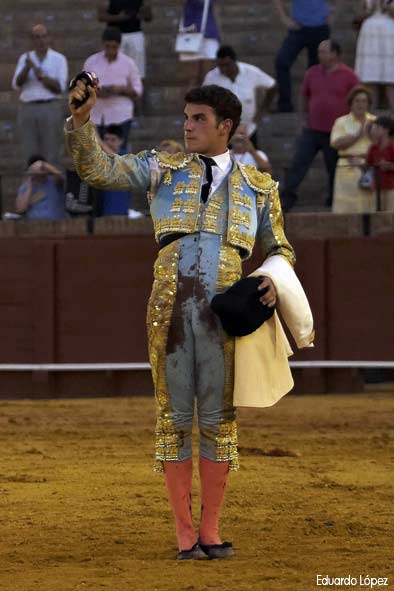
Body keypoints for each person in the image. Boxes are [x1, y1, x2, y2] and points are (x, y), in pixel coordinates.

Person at [66, 81, 308, 560]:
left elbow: (280, 248)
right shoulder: (163, 166)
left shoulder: (259, 186)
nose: (187, 125)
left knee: (219, 421)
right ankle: (184, 537)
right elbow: (99, 169)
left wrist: (274, 279)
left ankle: (211, 532)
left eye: (199, 119)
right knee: (174, 421)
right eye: (186, 117)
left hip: (223, 314)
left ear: (227, 127)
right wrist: (81, 122)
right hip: (169, 309)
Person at [281, 39, 359, 211]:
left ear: (335, 54)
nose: (319, 55)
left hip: (337, 131)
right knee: (298, 163)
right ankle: (287, 199)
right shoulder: (312, 72)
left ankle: (333, 200)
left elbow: (359, 99)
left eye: (323, 51)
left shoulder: (349, 75)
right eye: (319, 51)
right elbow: (303, 96)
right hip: (313, 128)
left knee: (334, 167)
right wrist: (301, 119)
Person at [12, 24, 68, 167]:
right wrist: (27, 68)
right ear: (32, 40)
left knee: (52, 152)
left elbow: (59, 88)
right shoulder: (25, 58)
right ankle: (32, 188)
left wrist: (40, 74)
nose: (41, 41)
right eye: (37, 37)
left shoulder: (58, 59)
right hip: (28, 108)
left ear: (49, 37)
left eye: (43, 36)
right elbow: (17, 84)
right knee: (29, 152)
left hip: (50, 107)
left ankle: (52, 188)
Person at [203, 45, 276, 147]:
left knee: (250, 160)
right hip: (223, 131)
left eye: (227, 65)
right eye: (220, 66)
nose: (223, 69)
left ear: (234, 61)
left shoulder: (251, 72)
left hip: (248, 129)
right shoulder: (211, 77)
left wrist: (262, 110)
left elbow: (272, 85)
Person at [83, 26, 143, 149]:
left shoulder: (128, 63)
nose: (110, 50)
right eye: (107, 46)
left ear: (119, 46)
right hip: (96, 115)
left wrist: (120, 89)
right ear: (103, 44)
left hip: (121, 115)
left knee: (120, 153)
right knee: (97, 153)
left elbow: (138, 90)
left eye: (114, 47)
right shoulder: (91, 62)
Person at [274, 0, 333, 112]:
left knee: (316, 68)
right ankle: (285, 104)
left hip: (320, 27)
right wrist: (284, 19)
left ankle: (314, 104)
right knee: (282, 61)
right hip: (298, 28)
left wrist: (334, 15)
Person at [331, 86, 376, 213]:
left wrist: (370, 132)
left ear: (368, 104)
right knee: (345, 209)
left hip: (369, 166)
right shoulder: (341, 122)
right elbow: (336, 143)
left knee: (369, 207)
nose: (360, 104)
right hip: (347, 165)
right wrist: (358, 134)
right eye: (357, 101)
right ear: (351, 103)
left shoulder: (375, 121)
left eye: (364, 101)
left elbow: (382, 143)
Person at [97, 1, 152, 81]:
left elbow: (149, 17)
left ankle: (136, 90)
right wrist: (119, 17)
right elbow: (101, 16)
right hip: (115, 36)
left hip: (135, 34)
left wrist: (142, 14)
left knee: (137, 70)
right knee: (115, 67)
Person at [355, 0, 394, 111]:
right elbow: (359, 15)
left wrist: (386, 6)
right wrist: (368, 8)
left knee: (391, 77)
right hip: (370, 31)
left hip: (389, 30)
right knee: (370, 77)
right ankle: (370, 118)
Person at [97, 124, 141, 217]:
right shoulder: (99, 159)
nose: (108, 143)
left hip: (118, 211)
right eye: (106, 139)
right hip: (99, 211)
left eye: (113, 140)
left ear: (121, 141)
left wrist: (100, 142)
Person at [177, 0, 220, 86]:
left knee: (208, 76)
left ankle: (207, 98)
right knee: (193, 77)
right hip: (191, 34)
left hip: (209, 34)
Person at [15, 155, 66, 220]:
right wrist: (30, 186)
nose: (40, 175)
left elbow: (59, 175)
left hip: (57, 224)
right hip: (35, 225)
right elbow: (21, 209)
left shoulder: (55, 182)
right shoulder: (25, 187)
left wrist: (43, 165)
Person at [366, 116, 394, 211]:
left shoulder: (392, 147)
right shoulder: (373, 148)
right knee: (377, 215)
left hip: (391, 187)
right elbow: (369, 165)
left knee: (389, 215)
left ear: (386, 130)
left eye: (377, 128)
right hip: (377, 186)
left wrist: (389, 166)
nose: (374, 131)